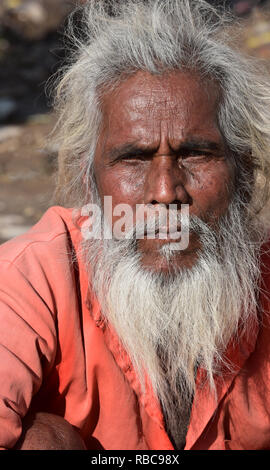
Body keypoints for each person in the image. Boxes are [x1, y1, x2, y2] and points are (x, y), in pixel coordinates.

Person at [1, 0, 270, 451]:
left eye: (195, 154)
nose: (166, 192)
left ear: (242, 172)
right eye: (133, 158)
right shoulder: (33, 278)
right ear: (90, 180)